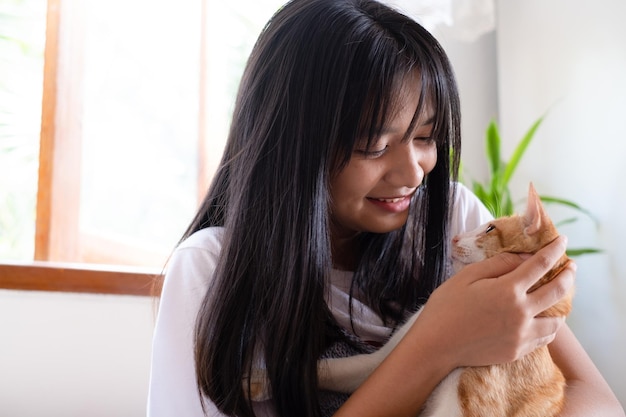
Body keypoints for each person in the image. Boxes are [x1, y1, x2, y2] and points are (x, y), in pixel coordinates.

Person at [147, 0, 624, 416]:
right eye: (375, 145)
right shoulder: (210, 271)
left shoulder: (454, 218)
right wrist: (434, 345)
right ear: (293, 145)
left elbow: (597, 400)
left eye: (424, 137)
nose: (414, 173)